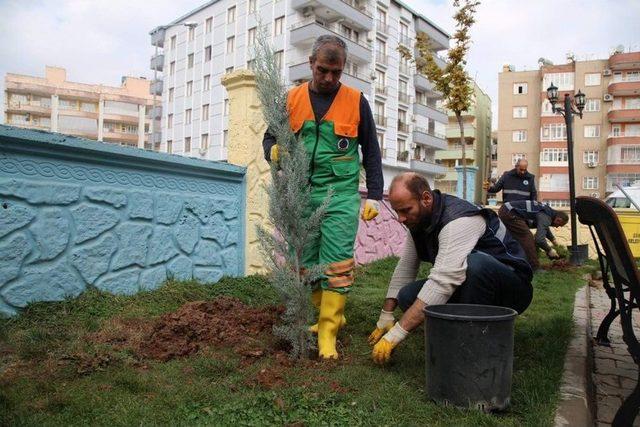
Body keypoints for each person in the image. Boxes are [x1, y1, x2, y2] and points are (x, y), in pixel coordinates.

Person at [262, 35, 383, 359]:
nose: (329, 78)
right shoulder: (291, 99)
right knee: (306, 263)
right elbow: (270, 136)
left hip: (341, 195)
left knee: (337, 264)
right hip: (301, 193)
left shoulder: (357, 101)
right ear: (311, 64)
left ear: (343, 69)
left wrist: (374, 195)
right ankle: (323, 317)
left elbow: (371, 151)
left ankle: (328, 333)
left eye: (336, 71)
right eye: (323, 70)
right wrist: (273, 151)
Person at [368, 172, 533, 365]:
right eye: (397, 211)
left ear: (426, 199)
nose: (400, 218)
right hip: (472, 284)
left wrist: (395, 335)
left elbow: (443, 282)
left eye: (405, 210)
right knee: (407, 295)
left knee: (475, 265)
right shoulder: (420, 221)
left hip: (512, 290)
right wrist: (386, 315)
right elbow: (406, 267)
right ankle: (455, 329)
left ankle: (474, 340)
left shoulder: (459, 219)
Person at [498, 200, 569, 271]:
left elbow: (544, 227)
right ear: (558, 220)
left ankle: (512, 263)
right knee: (528, 238)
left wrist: (553, 240)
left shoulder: (548, 213)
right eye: (559, 225)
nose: (557, 227)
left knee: (515, 239)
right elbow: (539, 240)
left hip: (508, 210)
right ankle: (535, 267)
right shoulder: (546, 216)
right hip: (510, 213)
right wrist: (549, 250)